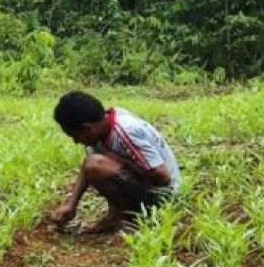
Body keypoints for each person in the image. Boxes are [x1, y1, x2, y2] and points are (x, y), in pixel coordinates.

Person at [50, 91, 181, 234]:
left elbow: (163, 177)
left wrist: (115, 159)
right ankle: (118, 215)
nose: (76, 141)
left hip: (165, 199)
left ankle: (138, 219)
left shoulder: (126, 131)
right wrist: (71, 205)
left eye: (75, 136)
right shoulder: (101, 129)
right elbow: (88, 169)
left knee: (96, 165)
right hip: (147, 186)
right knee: (95, 165)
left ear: (87, 128)